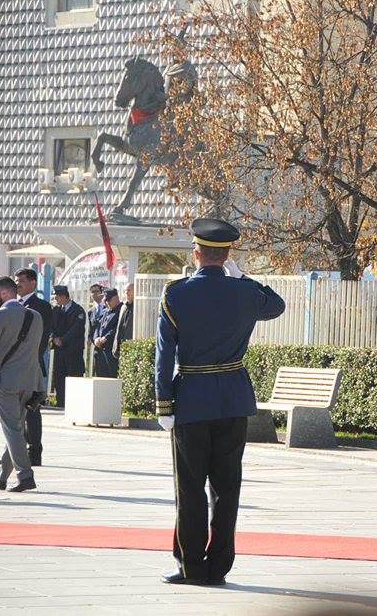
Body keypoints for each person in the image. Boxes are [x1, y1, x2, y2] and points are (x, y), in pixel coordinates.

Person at [157, 218, 285, 586]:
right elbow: (276, 305)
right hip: (232, 400)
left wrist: (164, 403)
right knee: (227, 490)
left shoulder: (174, 294)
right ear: (228, 255)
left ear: (195, 254)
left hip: (192, 401)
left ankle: (192, 566)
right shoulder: (244, 293)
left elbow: (164, 356)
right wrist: (242, 277)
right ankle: (219, 567)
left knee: (190, 488)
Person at [0, 277, 44, 492]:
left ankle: (25, 476)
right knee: (15, 429)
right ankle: (1, 477)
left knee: (12, 430)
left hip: (6, 381)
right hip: (31, 381)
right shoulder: (35, 316)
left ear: (5, 294)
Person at [14, 268, 52, 467]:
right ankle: (13, 454)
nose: (17, 283)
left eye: (21, 280)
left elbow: (42, 340)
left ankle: (34, 452)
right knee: (12, 412)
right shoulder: (11, 305)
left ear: (33, 283)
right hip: (12, 369)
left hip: (31, 367)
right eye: (16, 280)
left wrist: (27, 360)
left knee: (32, 410)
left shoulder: (42, 307)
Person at [51, 285, 87, 408]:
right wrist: (54, 338)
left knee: (74, 376)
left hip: (73, 351)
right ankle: (60, 403)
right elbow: (52, 327)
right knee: (59, 378)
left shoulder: (78, 310)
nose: (55, 298)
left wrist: (63, 339)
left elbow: (76, 329)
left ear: (63, 296)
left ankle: (74, 405)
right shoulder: (56, 310)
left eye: (56, 296)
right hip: (60, 351)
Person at [93, 289, 123, 377]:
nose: (107, 303)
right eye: (105, 300)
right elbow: (97, 326)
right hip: (100, 350)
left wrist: (106, 338)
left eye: (108, 300)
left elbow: (118, 328)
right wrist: (96, 338)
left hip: (111, 350)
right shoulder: (106, 311)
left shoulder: (121, 310)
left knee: (111, 377)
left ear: (116, 298)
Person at [87, 283, 106, 375]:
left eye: (97, 291)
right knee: (97, 371)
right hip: (96, 346)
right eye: (92, 292)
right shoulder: (90, 311)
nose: (94, 294)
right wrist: (90, 339)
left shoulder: (107, 307)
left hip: (106, 344)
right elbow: (90, 327)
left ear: (102, 293)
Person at [113, 282, 134, 359]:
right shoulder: (123, 307)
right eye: (125, 290)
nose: (126, 293)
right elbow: (120, 327)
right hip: (122, 347)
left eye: (129, 290)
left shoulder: (139, 306)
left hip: (133, 346)